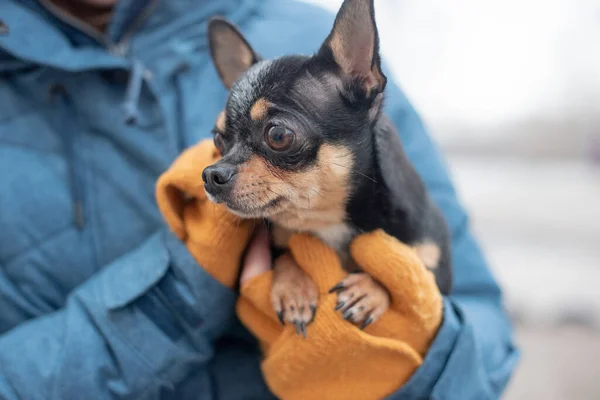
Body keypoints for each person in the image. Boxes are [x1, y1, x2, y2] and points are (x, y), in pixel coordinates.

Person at [0, 0, 519, 398]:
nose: (220, 170)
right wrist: (177, 291)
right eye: (222, 143)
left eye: (279, 139)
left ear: (362, 78)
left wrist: (421, 360)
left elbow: (487, 332)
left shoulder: (311, 52)